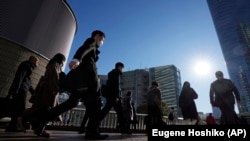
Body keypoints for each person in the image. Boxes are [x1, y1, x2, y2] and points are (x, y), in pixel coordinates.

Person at [32, 30, 108, 140]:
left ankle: (40, 119)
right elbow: (84, 48)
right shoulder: (91, 41)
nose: (102, 42)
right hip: (88, 84)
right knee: (96, 104)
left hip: (81, 85)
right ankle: (92, 132)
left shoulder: (94, 50)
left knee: (70, 104)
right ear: (98, 36)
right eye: (102, 40)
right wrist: (77, 59)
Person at [17, 53, 66, 137]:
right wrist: (55, 90)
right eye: (63, 61)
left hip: (44, 91)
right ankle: (26, 119)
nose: (63, 63)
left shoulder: (51, 64)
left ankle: (34, 125)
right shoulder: (55, 65)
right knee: (46, 111)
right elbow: (54, 77)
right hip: (49, 92)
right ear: (61, 60)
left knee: (40, 109)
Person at [5, 55, 39, 132]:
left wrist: (33, 92)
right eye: (37, 62)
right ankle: (14, 126)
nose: (38, 64)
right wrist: (15, 90)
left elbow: (27, 82)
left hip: (22, 90)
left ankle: (13, 126)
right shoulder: (25, 65)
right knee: (19, 109)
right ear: (33, 61)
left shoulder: (29, 67)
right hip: (20, 91)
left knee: (18, 109)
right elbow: (19, 78)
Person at [100, 62, 126, 134]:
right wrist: (117, 96)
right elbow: (116, 85)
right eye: (122, 68)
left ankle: (93, 126)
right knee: (119, 112)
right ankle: (123, 129)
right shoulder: (116, 73)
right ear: (119, 67)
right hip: (114, 96)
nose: (122, 70)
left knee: (106, 111)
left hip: (110, 95)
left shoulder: (111, 73)